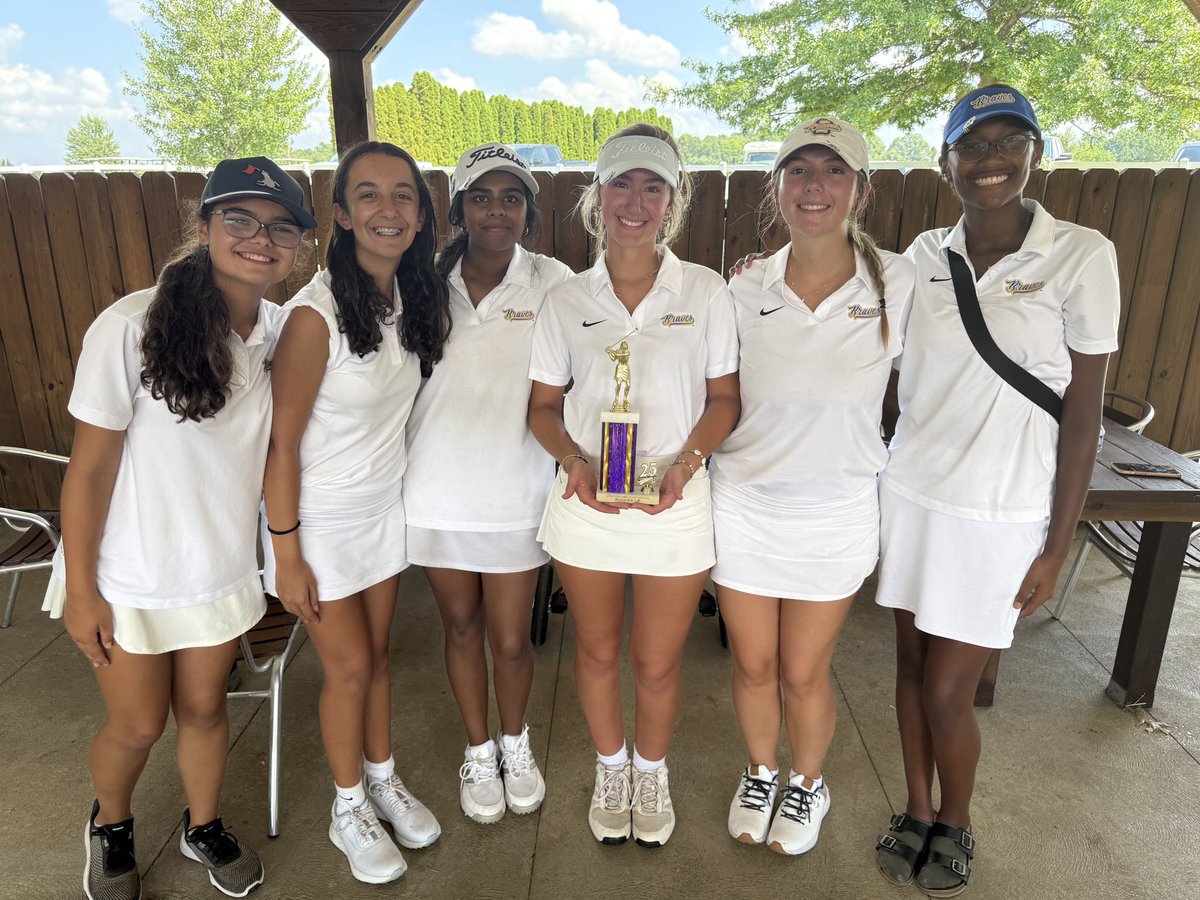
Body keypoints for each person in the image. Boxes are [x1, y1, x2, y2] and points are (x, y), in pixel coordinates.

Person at [872, 85, 1118, 896]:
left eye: (1012, 142)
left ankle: (958, 820)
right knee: (909, 665)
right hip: (912, 491)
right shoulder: (919, 259)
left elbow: (1082, 413)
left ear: (1035, 154)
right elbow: (851, 309)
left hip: (1004, 510)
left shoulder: (1081, 254)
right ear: (947, 162)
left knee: (951, 690)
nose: (992, 161)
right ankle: (914, 807)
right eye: (974, 146)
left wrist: (1057, 542)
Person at [47, 156, 314, 900]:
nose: (260, 239)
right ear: (204, 228)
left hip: (216, 567)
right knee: (137, 726)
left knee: (203, 709)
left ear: (297, 245)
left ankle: (202, 826)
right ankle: (111, 826)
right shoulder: (131, 324)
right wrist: (80, 591)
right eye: (240, 219)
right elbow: (90, 469)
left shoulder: (279, 333)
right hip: (128, 575)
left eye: (280, 228)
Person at [527, 124, 741, 848]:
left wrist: (686, 465)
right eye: (622, 183)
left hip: (676, 506)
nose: (636, 201)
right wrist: (574, 463)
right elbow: (543, 411)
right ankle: (610, 767)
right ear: (597, 196)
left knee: (655, 660)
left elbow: (724, 400)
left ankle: (651, 771)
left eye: (654, 187)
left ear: (673, 203)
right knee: (593, 651)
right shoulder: (566, 298)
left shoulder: (705, 292)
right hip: (586, 506)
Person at [711, 118, 916, 855]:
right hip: (744, 503)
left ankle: (808, 782)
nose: (815, 186)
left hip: (837, 512)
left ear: (860, 189)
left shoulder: (902, 280)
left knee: (803, 670)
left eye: (833, 171)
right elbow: (714, 392)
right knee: (753, 662)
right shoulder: (744, 285)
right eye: (799, 171)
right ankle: (761, 770)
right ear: (778, 187)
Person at [262, 141, 451, 885]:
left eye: (403, 194)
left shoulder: (408, 295)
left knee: (376, 662)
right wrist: (286, 553)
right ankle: (347, 809)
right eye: (367, 195)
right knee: (346, 670)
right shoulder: (315, 317)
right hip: (321, 523)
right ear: (340, 213)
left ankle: (381, 778)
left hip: (382, 511)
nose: (387, 208)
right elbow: (278, 447)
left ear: (420, 214)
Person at [403, 143, 572, 824]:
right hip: (435, 490)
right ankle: (478, 751)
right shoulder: (418, 279)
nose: (495, 209)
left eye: (511, 198)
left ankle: (515, 742)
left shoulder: (556, 282)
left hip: (516, 490)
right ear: (458, 208)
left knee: (511, 638)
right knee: (462, 627)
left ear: (529, 212)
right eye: (481, 196)